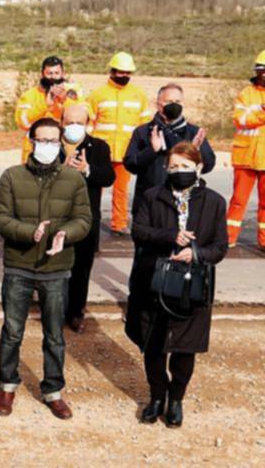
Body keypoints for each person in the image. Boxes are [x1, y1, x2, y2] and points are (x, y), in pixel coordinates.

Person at [0, 117, 91, 420]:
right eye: (41, 140)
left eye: (52, 141)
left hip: (56, 267)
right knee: (12, 331)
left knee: (54, 335)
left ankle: (53, 391)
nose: (46, 146)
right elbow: (0, 217)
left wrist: (66, 234)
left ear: (60, 143)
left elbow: (84, 219)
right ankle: (7, 385)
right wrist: (28, 232)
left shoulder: (74, 180)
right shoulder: (12, 176)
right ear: (31, 140)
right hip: (19, 265)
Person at [127, 142, 228, 428]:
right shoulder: (151, 196)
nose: (179, 171)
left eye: (185, 166)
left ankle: (176, 399)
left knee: (185, 347)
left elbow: (219, 246)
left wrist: (196, 253)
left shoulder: (214, 201)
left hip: (192, 286)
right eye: (173, 166)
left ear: (198, 168)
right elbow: (139, 232)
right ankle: (156, 396)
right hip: (155, 280)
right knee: (154, 344)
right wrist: (171, 236)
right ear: (165, 168)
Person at [59, 103, 115, 333]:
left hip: (85, 219)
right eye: (69, 122)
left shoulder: (99, 147)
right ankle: (53, 310)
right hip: (56, 217)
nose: (73, 127)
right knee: (54, 268)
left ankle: (76, 312)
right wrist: (60, 168)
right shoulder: (50, 144)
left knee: (81, 269)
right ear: (61, 122)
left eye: (79, 123)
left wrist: (88, 170)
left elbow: (108, 177)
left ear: (88, 124)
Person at [124, 83, 215, 219]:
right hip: (150, 201)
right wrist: (152, 151)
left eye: (177, 101)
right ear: (158, 104)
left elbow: (208, 166)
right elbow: (130, 164)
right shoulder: (143, 132)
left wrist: (196, 151)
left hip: (184, 203)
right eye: (168, 101)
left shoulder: (193, 132)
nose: (174, 105)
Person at [86, 52, 152, 234]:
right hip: (101, 151)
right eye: (121, 72)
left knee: (121, 190)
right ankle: (88, 221)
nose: (124, 76)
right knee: (94, 189)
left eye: (127, 73)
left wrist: (141, 148)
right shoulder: (98, 94)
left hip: (125, 151)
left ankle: (119, 224)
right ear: (112, 71)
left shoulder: (138, 95)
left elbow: (144, 125)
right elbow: (88, 122)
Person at [226, 50, 265, 247]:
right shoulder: (246, 94)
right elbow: (240, 120)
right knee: (239, 200)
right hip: (245, 157)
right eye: (262, 70)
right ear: (257, 71)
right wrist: (263, 112)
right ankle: (228, 238)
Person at [14, 56, 84, 162]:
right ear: (42, 74)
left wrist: (63, 100)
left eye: (56, 73)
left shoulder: (73, 92)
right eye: (49, 73)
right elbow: (22, 122)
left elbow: (80, 116)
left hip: (63, 149)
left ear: (63, 73)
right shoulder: (29, 96)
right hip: (35, 150)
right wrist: (44, 104)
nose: (53, 77)